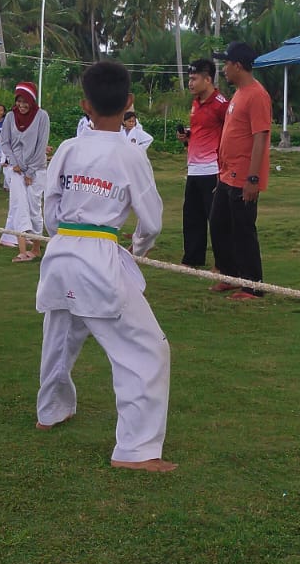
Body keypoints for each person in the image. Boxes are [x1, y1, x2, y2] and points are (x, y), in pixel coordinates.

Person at [36, 61, 174, 472]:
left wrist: (67, 237)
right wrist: (137, 248)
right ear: (129, 103)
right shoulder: (131, 156)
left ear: (85, 106)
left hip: (60, 253)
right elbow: (151, 222)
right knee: (146, 350)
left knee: (61, 334)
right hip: (98, 256)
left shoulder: (68, 148)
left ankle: (51, 411)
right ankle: (136, 451)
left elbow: (51, 210)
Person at [211, 42, 271, 300]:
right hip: (227, 174)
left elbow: (260, 138)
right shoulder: (239, 93)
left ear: (237, 65)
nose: (223, 69)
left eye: (226, 64)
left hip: (243, 176)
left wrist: (253, 178)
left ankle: (253, 285)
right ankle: (231, 274)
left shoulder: (257, 95)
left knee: (243, 230)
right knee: (219, 224)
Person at [178, 59, 227, 268]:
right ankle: (193, 258)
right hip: (194, 169)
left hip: (213, 170)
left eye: (194, 79)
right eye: (189, 79)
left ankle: (223, 264)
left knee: (216, 221)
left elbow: (229, 134)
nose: (190, 83)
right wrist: (187, 136)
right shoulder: (196, 103)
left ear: (208, 80)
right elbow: (203, 131)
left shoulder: (221, 104)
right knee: (192, 217)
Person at [0, 81, 49, 263]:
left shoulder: (42, 117)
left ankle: (36, 248)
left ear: (32, 101)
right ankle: (22, 250)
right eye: (19, 101)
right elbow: (5, 142)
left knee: (35, 208)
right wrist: (14, 163)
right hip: (16, 170)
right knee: (19, 206)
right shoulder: (11, 117)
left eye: (25, 101)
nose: (22, 105)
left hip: (36, 170)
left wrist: (30, 171)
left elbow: (41, 145)